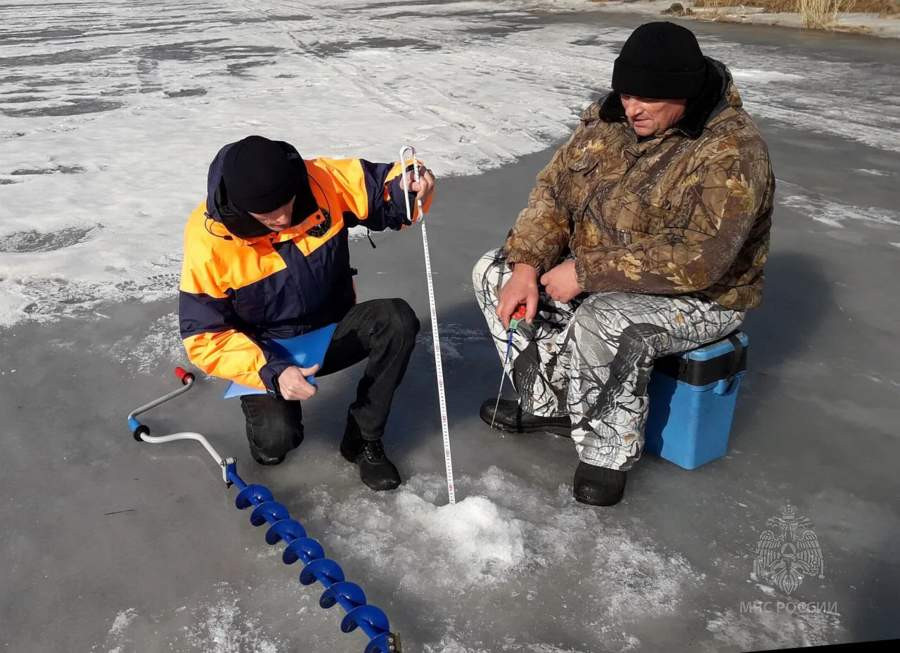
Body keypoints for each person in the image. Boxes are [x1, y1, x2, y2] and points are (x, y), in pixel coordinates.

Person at [473, 22, 774, 506]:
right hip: (603, 269)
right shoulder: (608, 120)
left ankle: (608, 451)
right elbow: (553, 194)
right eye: (626, 93)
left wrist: (586, 272)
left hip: (705, 295)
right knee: (495, 273)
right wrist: (528, 265)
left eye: (647, 99)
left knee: (607, 317)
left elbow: (701, 257)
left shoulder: (732, 149)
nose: (632, 107)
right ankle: (551, 404)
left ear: (683, 92)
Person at [179, 135, 435, 491]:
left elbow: (384, 188)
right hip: (267, 352)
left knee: (396, 319)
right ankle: (270, 417)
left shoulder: (319, 180)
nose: (283, 218)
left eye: (288, 203)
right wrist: (272, 370)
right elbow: (204, 336)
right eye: (269, 214)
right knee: (276, 445)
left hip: (331, 328)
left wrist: (410, 183)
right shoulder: (209, 240)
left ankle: (363, 438)